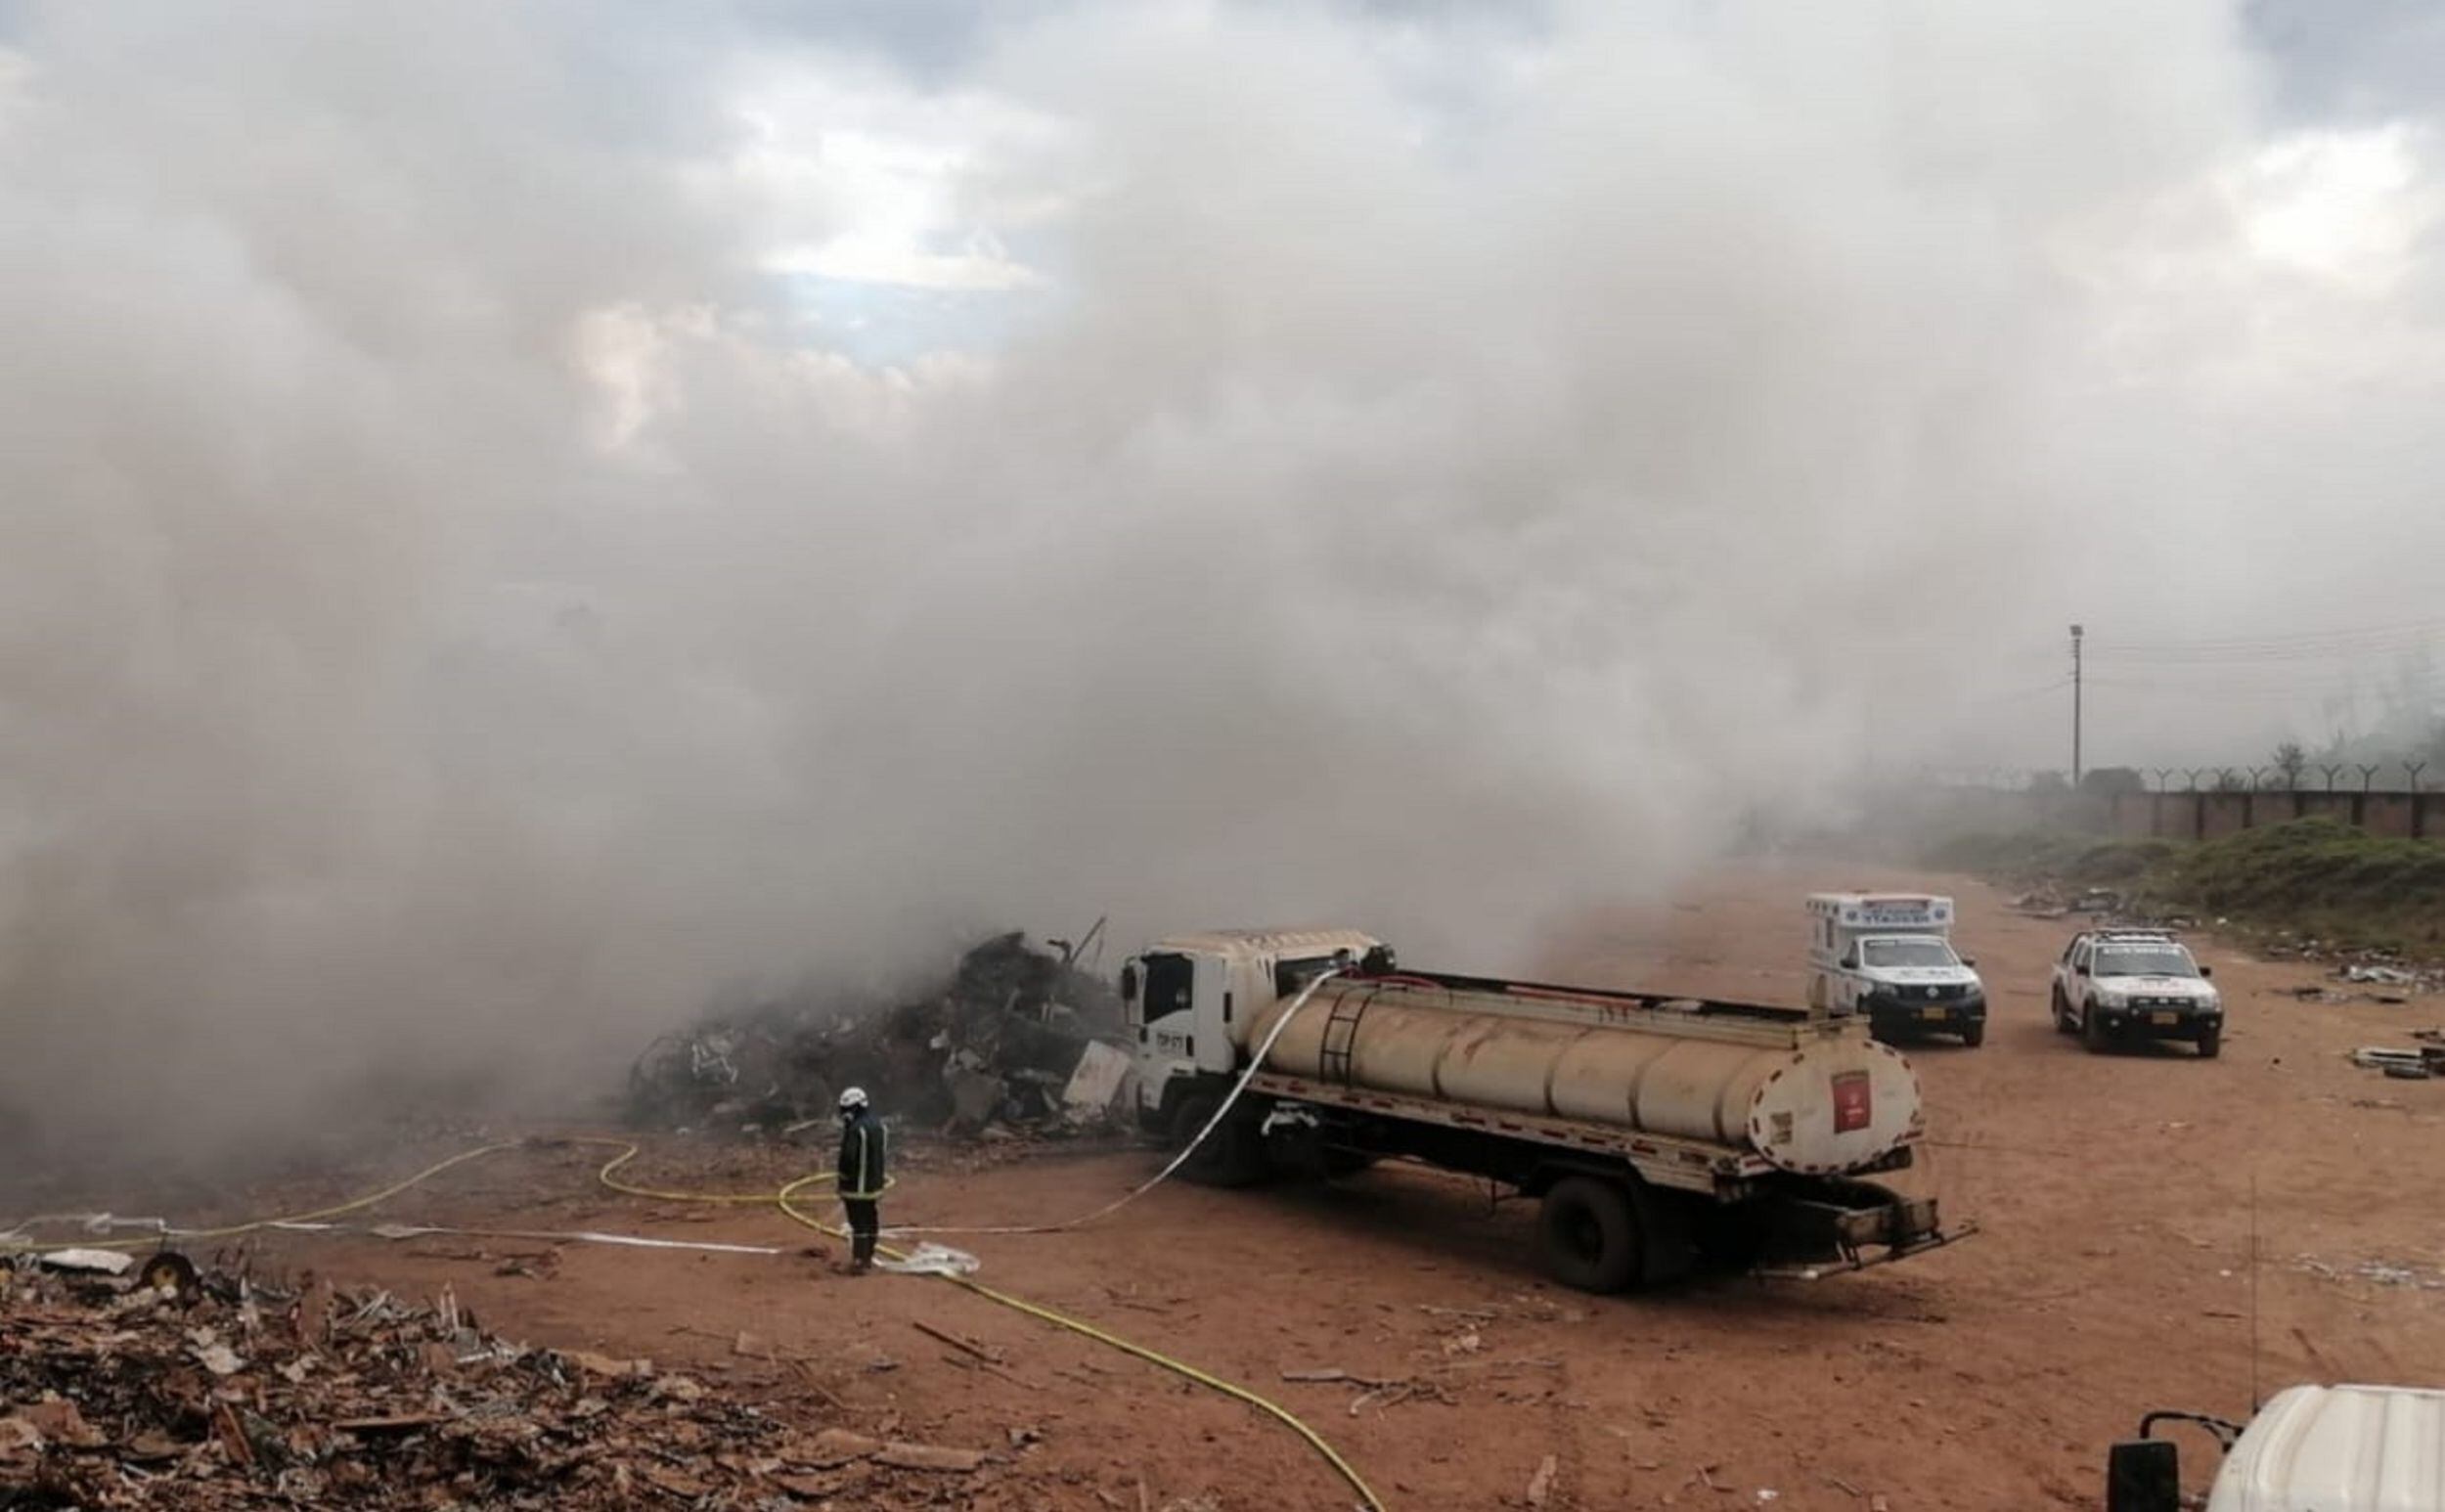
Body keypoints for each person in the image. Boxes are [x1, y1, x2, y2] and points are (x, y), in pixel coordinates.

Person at [835, 1086, 887, 1274]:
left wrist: (842, 1179)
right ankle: (868, 1256)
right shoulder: (879, 1125)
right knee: (871, 1218)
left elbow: (848, 1158)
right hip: (874, 1185)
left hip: (856, 1187)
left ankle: (858, 1261)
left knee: (858, 1223)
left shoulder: (856, 1129)